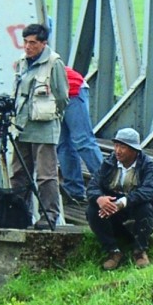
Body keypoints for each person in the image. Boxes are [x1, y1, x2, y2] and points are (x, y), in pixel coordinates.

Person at [11, 23, 69, 230]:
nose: (28, 46)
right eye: (25, 42)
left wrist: (53, 116)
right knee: (18, 174)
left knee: (46, 175)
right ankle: (18, 213)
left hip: (44, 127)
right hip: (22, 125)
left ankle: (49, 216)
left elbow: (62, 96)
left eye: (33, 43)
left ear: (43, 43)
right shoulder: (22, 62)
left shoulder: (54, 63)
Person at [86, 128, 153, 270]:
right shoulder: (108, 163)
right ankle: (113, 251)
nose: (117, 151)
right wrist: (100, 199)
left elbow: (148, 191)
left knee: (146, 209)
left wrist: (123, 202)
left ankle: (139, 250)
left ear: (134, 150)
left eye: (123, 147)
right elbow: (92, 186)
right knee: (92, 210)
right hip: (113, 210)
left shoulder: (148, 165)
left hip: (134, 206)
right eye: (116, 146)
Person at [58, 66, 103, 203]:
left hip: (73, 90)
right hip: (55, 97)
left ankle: (107, 185)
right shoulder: (24, 64)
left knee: (82, 140)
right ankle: (74, 191)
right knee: (63, 145)